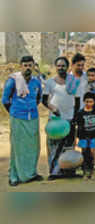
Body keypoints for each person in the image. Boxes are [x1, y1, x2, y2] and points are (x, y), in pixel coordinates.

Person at [2, 56, 44, 187]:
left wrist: (30, 109)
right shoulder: (12, 80)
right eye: (25, 65)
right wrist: (15, 111)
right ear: (20, 66)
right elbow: (5, 100)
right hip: (17, 117)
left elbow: (38, 98)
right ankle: (14, 176)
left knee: (33, 147)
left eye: (30, 65)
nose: (27, 68)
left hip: (33, 117)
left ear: (33, 66)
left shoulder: (36, 82)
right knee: (17, 147)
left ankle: (31, 173)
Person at [43, 56, 80, 180]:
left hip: (69, 118)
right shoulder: (50, 82)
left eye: (63, 65)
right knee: (54, 147)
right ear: (55, 67)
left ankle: (69, 171)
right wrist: (53, 109)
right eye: (58, 65)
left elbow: (78, 100)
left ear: (67, 67)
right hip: (55, 120)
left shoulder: (73, 81)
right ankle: (54, 172)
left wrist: (75, 117)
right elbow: (44, 100)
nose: (61, 68)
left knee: (69, 146)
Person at [74, 92, 95, 180]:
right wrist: (76, 139)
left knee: (92, 154)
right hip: (83, 137)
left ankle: (92, 172)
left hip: (93, 136)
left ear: (94, 102)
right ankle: (85, 172)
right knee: (84, 153)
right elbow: (78, 127)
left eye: (91, 102)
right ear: (84, 101)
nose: (89, 103)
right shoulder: (80, 113)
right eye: (87, 101)